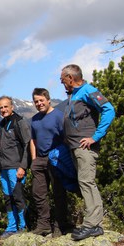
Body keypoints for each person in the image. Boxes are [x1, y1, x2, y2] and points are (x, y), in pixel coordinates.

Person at [60, 64, 115, 241]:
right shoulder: (74, 94)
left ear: (71, 78)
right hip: (75, 146)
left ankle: (92, 224)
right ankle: (93, 223)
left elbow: (109, 110)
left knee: (87, 182)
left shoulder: (88, 90)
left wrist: (95, 136)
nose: (63, 84)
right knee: (83, 182)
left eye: (63, 80)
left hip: (85, 147)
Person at [30, 88, 70, 237]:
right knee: (39, 193)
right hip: (39, 160)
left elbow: (66, 138)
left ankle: (60, 224)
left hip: (56, 158)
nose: (39, 104)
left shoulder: (59, 116)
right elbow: (32, 140)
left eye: (41, 100)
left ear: (48, 100)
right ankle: (43, 225)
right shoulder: (34, 119)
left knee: (58, 193)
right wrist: (34, 160)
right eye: (36, 101)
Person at [0, 96, 31, 238]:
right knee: (8, 198)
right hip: (3, 167)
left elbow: (28, 144)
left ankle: (23, 226)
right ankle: (11, 227)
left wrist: (23, 167)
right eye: (1, 107)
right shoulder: (2, 123)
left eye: (5, 106)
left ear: (12, 107)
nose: (3, 110)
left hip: (16, 166)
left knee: (18, 197)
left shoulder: (19, 122)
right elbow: (7, 143)